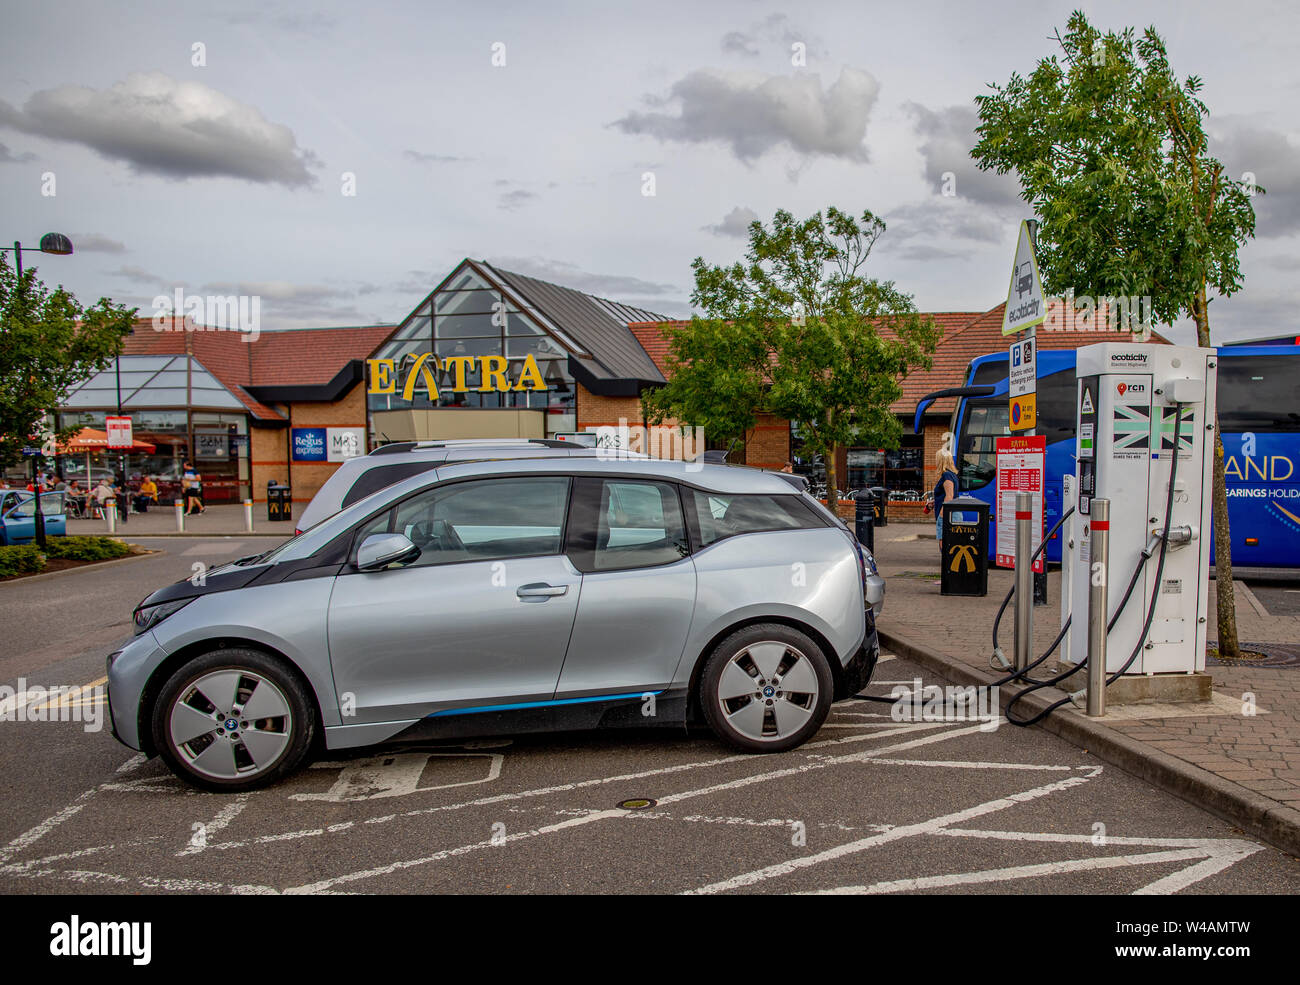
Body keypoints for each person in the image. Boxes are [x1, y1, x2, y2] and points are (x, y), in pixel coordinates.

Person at [930, 448, 958, 544]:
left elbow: (949, 497)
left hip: (948, 515)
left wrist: (941, 515)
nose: (936, 462)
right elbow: (948, 495)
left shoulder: (947, 475)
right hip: (952, 513)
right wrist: (935, 501)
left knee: (946, 546)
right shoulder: (952, 475)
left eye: (937, 459)